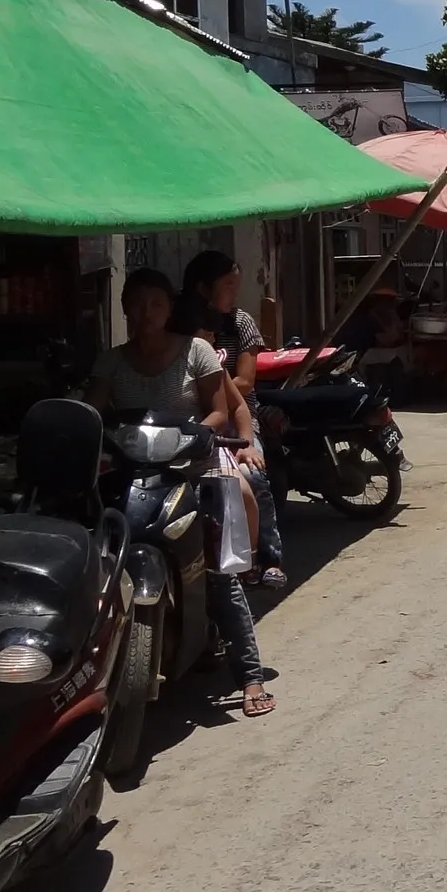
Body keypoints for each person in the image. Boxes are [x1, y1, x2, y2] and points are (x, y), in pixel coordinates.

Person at [89, 268, 276, 717]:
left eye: (155, 303)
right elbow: (93, 411)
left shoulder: (197, 351)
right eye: (135, 303)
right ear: (123, 309)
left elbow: (219, 412)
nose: (144, 312)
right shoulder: (110, 362)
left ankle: (249, 675)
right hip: (133, 474)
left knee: (214, 571)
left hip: (193, 468)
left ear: (168, 308)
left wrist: (189, 439)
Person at [180, 249, 287, 590]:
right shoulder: (184, 322)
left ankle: (269, 558)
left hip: (238, 412)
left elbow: (244, 383)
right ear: (203, 287)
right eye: (228, 285)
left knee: (253, 474)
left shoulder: (239, 323)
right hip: (194, 415)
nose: (234, 293)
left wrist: (208, 384)